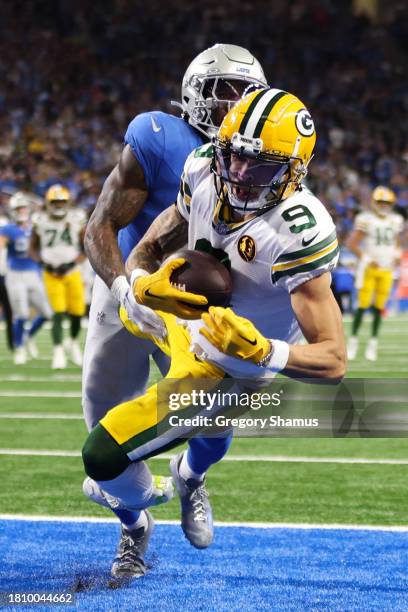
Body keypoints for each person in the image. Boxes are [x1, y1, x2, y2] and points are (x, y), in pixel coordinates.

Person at [82, 88, 346, 581]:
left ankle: (184, 479)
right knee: (105, 446)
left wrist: (266, 351)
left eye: (261, 165)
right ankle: (138, 512)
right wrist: (142, 284)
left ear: (294, 170)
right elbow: (153, 240)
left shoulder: (298, 231)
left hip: (228, 367)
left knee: (177, 441)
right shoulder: (204, 166)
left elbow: (333, 360)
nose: (242, 175)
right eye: (236, 156)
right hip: (183, 320)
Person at [81, 43, 267, 557]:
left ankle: (191, 477)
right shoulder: (156, 135)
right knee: (103, 424)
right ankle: (134, 526)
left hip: (198, 298)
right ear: (192, 93)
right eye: (220, 91)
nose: (232, 103)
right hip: (128, 281)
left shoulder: (264, 154)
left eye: (243, 93)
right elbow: (101, 225)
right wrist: (124, 288)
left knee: (215, 417)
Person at [30, 184, 87, 369]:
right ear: (48, 202)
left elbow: (86, 246)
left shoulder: (76, 218)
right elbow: (32, 247)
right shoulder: (40, 220)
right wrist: (43, 263)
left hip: (72, 271)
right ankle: (58, 351)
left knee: (77, 312)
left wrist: (72, 263)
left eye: (61, 201)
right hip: (51, 273)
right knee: (58, 311)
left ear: (67, 202)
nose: (58, 205)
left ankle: (72, 342)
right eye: (54, 201)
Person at [346, 186, 404, 361]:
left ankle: (373, 343)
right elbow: (352, 243)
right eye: (381, 202)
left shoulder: (396, 220)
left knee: (380, 307)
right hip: (369, 269)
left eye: (387, 202)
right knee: (362, 306)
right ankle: (353, 341)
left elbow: (396, 242)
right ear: (374, 201)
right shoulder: (366, 219)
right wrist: (366, 258)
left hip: (387, 269)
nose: (384, 205)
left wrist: (396, 254)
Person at [0, 192, 52, 364]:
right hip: (15, 275)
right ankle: (19, 347)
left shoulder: (35, 227)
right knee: (21, 314)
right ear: (13, 210)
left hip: (33, 273)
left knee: (47, 313)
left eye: (23, 207)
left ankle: (28, 336)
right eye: (18, 208)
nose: (22, 211)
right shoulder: (8, 229)